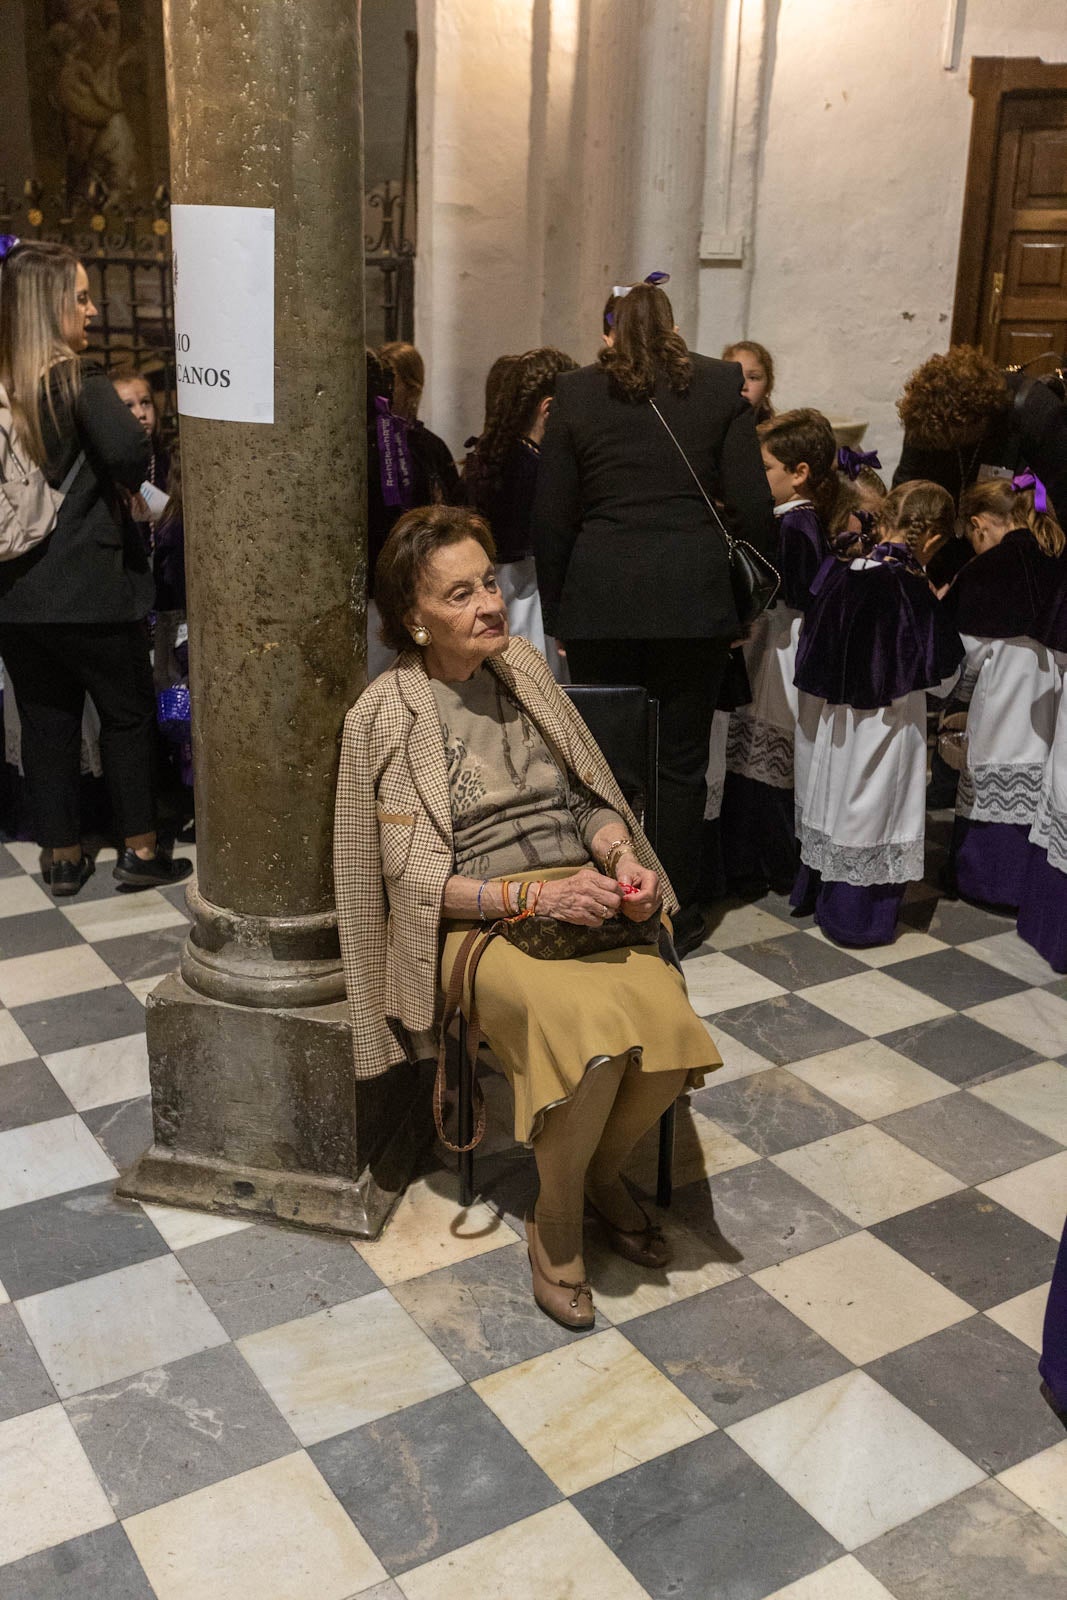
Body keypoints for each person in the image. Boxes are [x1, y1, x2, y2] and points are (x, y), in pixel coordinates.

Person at [334, 505, 721, 1328]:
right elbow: (407, 882)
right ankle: (554, 1228)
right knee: (585, 1042)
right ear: (412, 617)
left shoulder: (524, 670)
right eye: (459, 593)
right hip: (476, 923)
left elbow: (587, 798)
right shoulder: (385, 714)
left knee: (660, 1041)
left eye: (489, 583)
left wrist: (620, 859)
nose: (487, 605)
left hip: (581, 898)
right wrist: (533, 897)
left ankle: (593, 1177)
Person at [532, 281, 774, 956]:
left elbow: (550, 517)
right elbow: (753, 509)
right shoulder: (721, 384)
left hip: (600, 599)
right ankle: (674, 909)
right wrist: (747, 603)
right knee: (680, 763)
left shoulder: (576, 391)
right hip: (694, 600)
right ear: (672, 325)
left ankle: (610, 898)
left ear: (609, 328)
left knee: (604, 760)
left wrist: (558, 613)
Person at [0, 241, 191, 895]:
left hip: (16, 592)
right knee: (127, 715)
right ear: (51, 305)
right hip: (92, 587)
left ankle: (60, 856)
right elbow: (130, 456)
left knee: (46, 722)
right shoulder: (76, 381)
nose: (91, 308)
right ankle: (138, 849)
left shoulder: (6, 384)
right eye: (80, 297)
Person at [791, 481, 964, 947]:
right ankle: (859, 919)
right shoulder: (909, 588)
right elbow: (945, 675)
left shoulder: (842, 572)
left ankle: (826, 899)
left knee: (838, 801)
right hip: (890, 723)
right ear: (930, 540)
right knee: (876, 808)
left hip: (835, 722)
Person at [719, 409, 838, 896]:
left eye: (766, 468)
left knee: (766, 753)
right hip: (776, 638)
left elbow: (791, 592)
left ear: (799, 473)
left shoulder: (794, 527)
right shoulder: (795, 520)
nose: (757, 478)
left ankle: (770, 860)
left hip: (781, 645)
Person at [942, 478, 1064, 908]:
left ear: (979, 526)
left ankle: (990, 883)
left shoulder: (986, 569)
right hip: (1053, 695)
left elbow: (963, 655)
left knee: (996, 764)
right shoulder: (1056, 553)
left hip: (1004, 695)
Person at [464, 347, 578, 659]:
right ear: (548, 408)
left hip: (497, 590)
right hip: (529, 596)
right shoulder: (538, 468)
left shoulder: (492, 458)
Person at [722, 339, 775, 423]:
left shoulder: (778, 433)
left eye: (753, 378)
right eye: (735, 376)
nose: (743, 386)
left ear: (768, 386)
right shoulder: (704, 427)